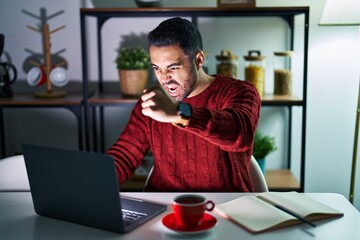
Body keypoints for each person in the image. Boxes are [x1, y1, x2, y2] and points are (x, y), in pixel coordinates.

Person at [107, 17, 261, 192]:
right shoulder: (153, 100)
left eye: (173, 67)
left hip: (226, 206)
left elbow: (240, 134)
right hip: (166, 206)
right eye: (157, 68)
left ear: (199, 60)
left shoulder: (239, 91)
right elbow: (124, 156)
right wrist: (92, 183)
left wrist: (179, 113)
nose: (164, 78)